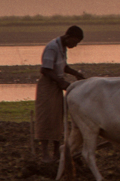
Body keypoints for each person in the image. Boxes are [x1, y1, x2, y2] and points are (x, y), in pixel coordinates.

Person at [36, 25, 87, 162]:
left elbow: (62, 66)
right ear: (68, 37)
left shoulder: (62, 48)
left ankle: (57, 153)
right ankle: (45, 154)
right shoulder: (52, 47)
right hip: (48, 86)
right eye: (75, 42)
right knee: (46, 118)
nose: (75, 46)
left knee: (58, 118)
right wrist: (61, 82)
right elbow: (45, 70)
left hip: (56, 85)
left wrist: (75, 73)